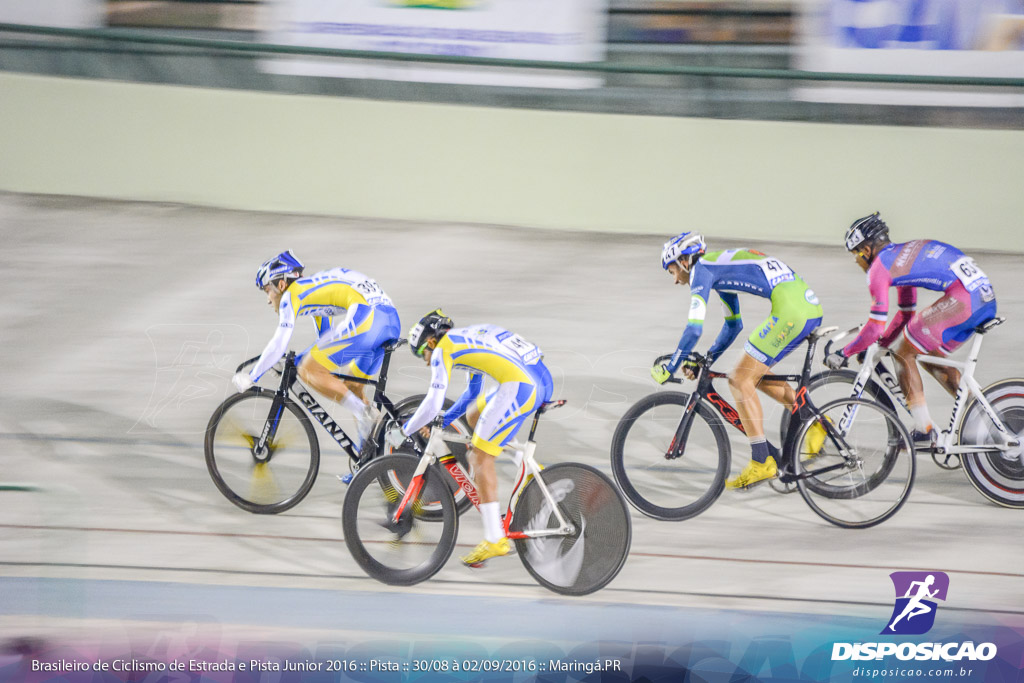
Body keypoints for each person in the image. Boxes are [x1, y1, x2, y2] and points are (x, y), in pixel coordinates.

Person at [652, 232, 824, 489]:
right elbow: (733, 325)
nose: (676, 280)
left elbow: (694, 329)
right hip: (805, 307)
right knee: (754, 374)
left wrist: (672, 365)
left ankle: (761, 462)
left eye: (673, 270)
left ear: (685, 260)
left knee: (739, 379)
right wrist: (707, 359)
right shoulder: (717, 269)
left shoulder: (702, 270)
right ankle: (816, 423)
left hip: (792, 310)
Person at [825, 213, 998, 444]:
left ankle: (924, 430)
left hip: (964, 300)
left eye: (855, 255)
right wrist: (881, 344)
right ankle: (981, 418)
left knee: (902, 352)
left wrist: (844, 352)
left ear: (865, 250)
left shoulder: (879, 269)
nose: (856, 262)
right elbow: (906, 313)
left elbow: (875, 326)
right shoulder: (901, 255)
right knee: (926, 354)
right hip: (984, 301)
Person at [400, 310, 554, 567]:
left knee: (479, 457)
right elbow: (473, 392)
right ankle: (528, 470)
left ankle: (495, 538)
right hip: (538, 378)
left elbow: (432, 401)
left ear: (429, 342)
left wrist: (407, 429)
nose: (426, 361)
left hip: (522, 386)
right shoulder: (466, 338)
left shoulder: (441, 351)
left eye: (421, 355)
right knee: (475, 417)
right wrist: (444, 420)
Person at [231, 250, 402, 446]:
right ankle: (371, 460)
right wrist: (296, 360)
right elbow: (325, 342)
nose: (268, 299)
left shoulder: (291, 294)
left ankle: (367, 414)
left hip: (369, 319)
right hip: (389, 320)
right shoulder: (316, 288)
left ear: (280, 284)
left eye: (266, 290)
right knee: (352, 389)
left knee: (308, 369)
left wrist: (252, 376)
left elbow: (280, 342)